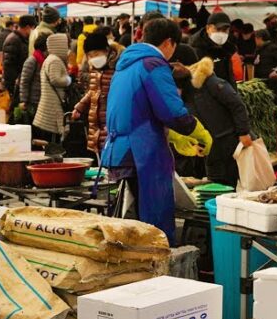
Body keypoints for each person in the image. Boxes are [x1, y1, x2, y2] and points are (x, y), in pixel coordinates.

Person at [102, 18, 211, 244]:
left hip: (119, 151)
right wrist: (196, 129)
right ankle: (156, 274)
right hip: (142, 153)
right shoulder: (153, 64)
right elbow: (172, 111)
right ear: (169, 42)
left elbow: (138, 109)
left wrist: (173, 135)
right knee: (154, 230)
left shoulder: (127, 64)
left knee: (134, 225)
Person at [190, 57, 253, 186]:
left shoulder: (213, 83)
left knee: (232, 181)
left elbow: (237, 106)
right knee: (215, 182)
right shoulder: (189, 90)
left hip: (230, 140)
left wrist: (243, 132)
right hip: (211, 145)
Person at [72, 33, 118, 156]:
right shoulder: (94, 70)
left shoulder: (117, 69)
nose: (94, 58)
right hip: (95, 123)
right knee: (100, 158)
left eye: (97, 54)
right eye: (90, 56)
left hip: (110, 124)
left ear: (107, 51)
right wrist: (79, 107)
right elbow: (92, 92)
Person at [33, 34, 72, 142]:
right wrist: (69, 79)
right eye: (67, 45)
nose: (68, 49)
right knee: (52, 136)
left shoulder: (51, 59)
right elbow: (55, 79)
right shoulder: (55, 60)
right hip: (53, 101)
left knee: (51, 135)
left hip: (51, 99)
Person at [190, 11, 239, 88]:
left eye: (225, 30)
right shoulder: (196, 50)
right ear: (208, 28)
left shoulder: (227, 50)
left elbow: (229, 76)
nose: (221, 33)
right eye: (218, 29)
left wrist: (233, 93)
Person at [3, 15, 35, 108]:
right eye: (33, 28)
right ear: (28, 27)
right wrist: (16, 85)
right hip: (15, 84)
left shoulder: (21, 39)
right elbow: (8, 66)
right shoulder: (13, 40)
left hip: (20, 82)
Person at [253, 29, 277, 101]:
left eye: (255, 38)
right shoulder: (258, 49)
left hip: (271, 82)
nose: (255, 40)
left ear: (259, 38)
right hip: (260, 81)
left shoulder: (272, 48)